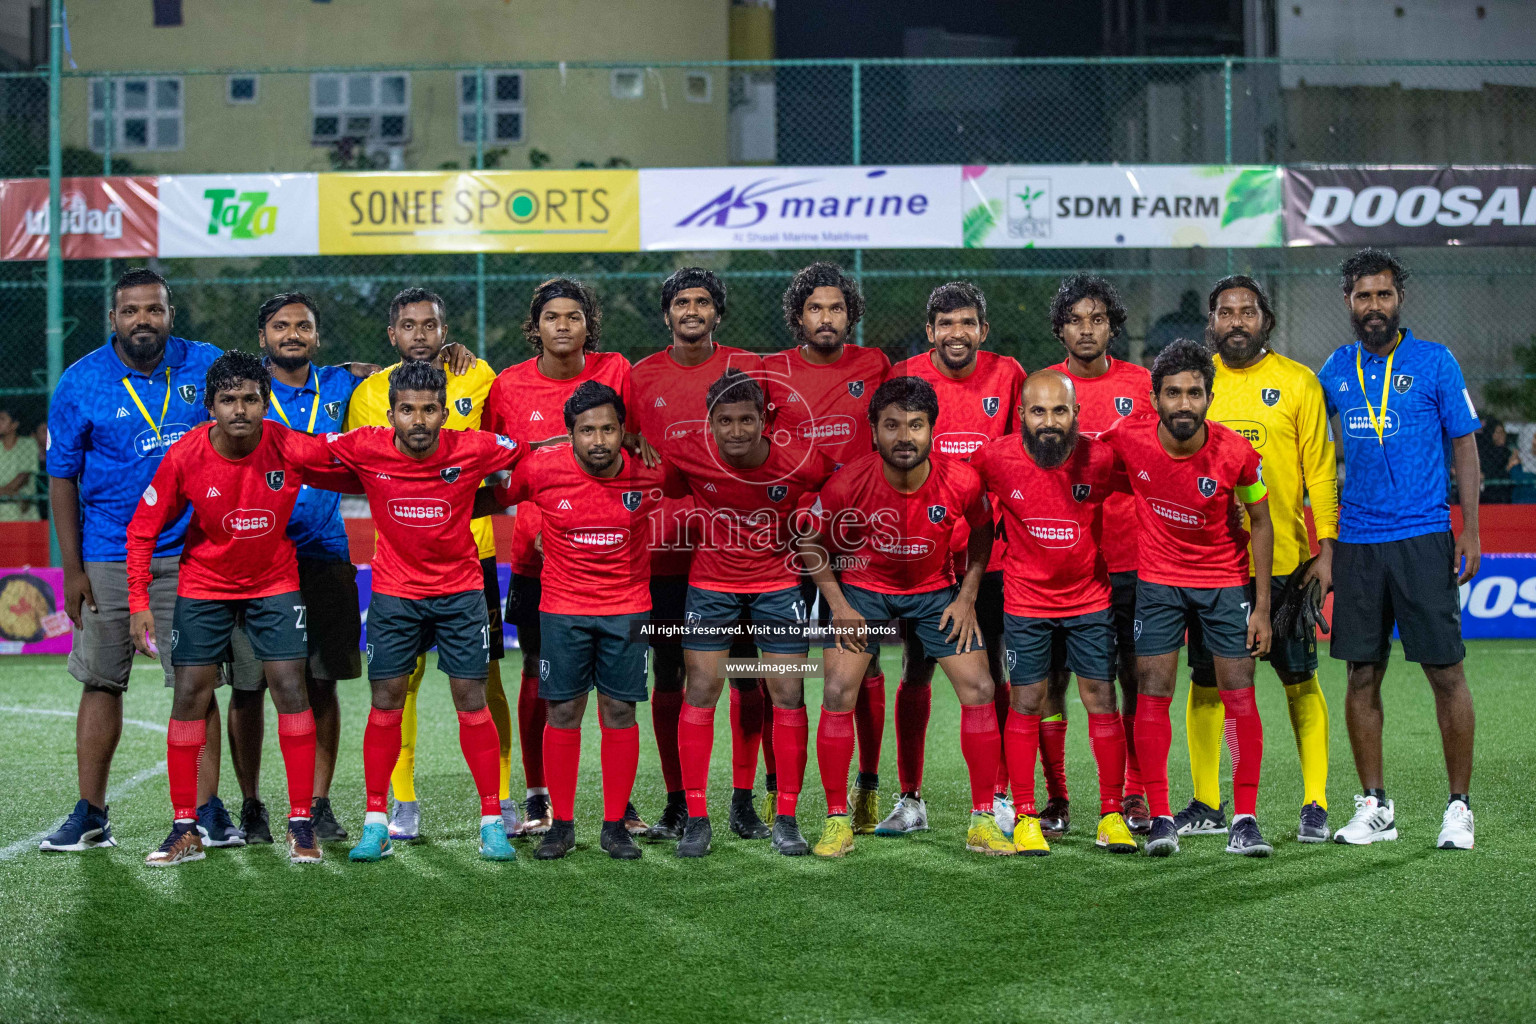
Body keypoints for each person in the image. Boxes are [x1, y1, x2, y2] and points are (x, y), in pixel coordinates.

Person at [125, 352, 358, 866]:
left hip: (274, 582)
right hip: (204, 586)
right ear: (210, 407)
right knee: (189, 693)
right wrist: (139, 600)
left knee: (291, 686)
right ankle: (184, 826)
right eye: (228, 400)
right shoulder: (186, 455)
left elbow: (349, 462)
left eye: (250, 398)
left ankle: (301, 824)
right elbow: (142, 529)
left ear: (264, 401)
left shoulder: (288, 444)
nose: (240, 410)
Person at [41, 268, 231, 853]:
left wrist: (352, 374)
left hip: (190, 553)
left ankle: (207, 811)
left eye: (154, 309)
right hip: (107, 555)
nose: (142, 320)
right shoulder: (81, 382)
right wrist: (71, 568)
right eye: (131, 311)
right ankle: (91, 813)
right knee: (101, 683)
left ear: (171, 313)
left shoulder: (207, 365)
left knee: (195, 684)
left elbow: (268, 382)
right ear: (113, 318)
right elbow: (62, 478)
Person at [305, 359, 524, 863]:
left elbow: (528, 458)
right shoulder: (365, 446)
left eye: (429, 410)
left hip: (460, 594)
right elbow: (304, 453)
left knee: (471, 699)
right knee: (387, 701)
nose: (419, 420)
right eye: (408, 410)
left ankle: (492, 820)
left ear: (445, 413)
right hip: (396, 596)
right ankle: (377, 822)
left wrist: (483, 501)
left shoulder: (474, 448)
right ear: (391, 413)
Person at [802, 376, 1008, 857]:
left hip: (935, 591)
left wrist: (966, 596)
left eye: (916, 425)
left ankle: (982, 819)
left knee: (980, 687)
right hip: (864, 591)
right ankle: (837, 819)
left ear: (932, 429)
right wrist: (839, 606)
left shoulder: (961, 480)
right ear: (874, 431)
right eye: (891, 425)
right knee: (836, 689)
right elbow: (809, 539)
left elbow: (983, 528)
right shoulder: (849, 481)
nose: (904, 436)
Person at [1317, 248, 1480, 851]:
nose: (1374, 306)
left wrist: (1471, 529)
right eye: (1363, 296)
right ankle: (1374, 807)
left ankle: (1458, 807)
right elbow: (1314, 450)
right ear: (1348, 303)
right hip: (1358, 542)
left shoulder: (1435, 363)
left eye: (1383, 295)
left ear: (1399, 299)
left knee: (1445, 671)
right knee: (1362, 674)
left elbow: (1464, 447)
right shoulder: (1334, 369)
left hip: (1423, 535)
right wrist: (1325, 543)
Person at [342, 287, 511, 843]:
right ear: (392, 334)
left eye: (431, 325)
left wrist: (473, 502)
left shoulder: (478, 375)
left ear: (446, 330)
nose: (420, 334)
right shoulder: (368, 390)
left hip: (472, 557)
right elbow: (367, 456)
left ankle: (501, 800)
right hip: (401, 565)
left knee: (484, 683)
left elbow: (506, 452)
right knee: (399, 686)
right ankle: (404, 800)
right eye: (408, 325)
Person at [482, 277, 649, 838]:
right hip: (542, 567)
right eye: (551, 316)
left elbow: (638, 447)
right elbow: (497, 469)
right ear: (536, 326)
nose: (562, 325)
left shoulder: (615, 371)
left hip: (614, 566)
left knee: (618, 697)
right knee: (542, 678)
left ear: (588, 324)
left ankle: (617, 809)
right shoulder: (507, 387)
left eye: (573, 316)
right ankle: (539, 796)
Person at [1102, 338, 1275, 858]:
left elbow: (1262, 521)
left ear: (1209, 397)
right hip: (1157, 582)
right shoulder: (1128, 439)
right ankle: (1159, 818)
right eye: (1173, 393)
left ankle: (1244, 818)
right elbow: (1080, 468)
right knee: (1153, 692)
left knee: (1238, 693)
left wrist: (1262, 606)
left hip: (1223, 583)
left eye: (1194, 393)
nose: (1183, 403)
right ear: (1153, 398)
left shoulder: (1237, 454)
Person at [1181, 276, 1338, 843]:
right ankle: (1205, 801)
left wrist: (1326, 551)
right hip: (1212, 562)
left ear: (1266, 319)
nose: (1237, 321)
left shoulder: (1297, 382)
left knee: (1299, 679)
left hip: (1288, 559)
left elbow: (1320, 471)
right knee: (1205, 681)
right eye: (1225, 312)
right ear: (1212, 322)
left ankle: (1315, 802)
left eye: (1248, 311)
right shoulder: (1196, 385)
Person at [629, 267, 776, 842]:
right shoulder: (640, 377)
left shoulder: (752, 368)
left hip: (739, 555)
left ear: (718, 312)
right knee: (670, 675)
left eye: (703, 301)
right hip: (665, 556)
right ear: (667, 314)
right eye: (682, 302)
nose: (692, 310)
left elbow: (771, 454)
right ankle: (678, 802)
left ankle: (743, 801)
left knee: (748, 676)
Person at [225, 293, 375, 846]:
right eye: (280, 326)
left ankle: (316, 804)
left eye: (303, 326)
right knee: (248, 686)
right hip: (254, 556)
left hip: (324, 553)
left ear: (317, 336)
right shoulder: (243, 396)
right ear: (262, 337)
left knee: (322, 681)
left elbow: (398, 378)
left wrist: (442, 353)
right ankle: (251, 806)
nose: (292, 334)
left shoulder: (343, 386)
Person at [972, 370, 1140, 857]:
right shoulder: (995, 457)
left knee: (1100, 699)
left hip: (1090, 601)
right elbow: (949, 488)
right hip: (1026, 602)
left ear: (1076, 415)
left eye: (1060, 411)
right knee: (1027, 701)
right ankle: (1026, 817)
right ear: (1021, 413)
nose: (1049, 422)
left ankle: (1111, 816)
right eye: (1039, 411)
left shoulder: (1101, 458)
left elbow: (1156, 486)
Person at [670, 369, 833, 858]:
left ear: (765, 420)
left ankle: (785, 817)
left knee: (787, 692)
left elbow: (844, 483)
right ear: (709, 423)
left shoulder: (800, 461)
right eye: (725, 421)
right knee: (701, 690)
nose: (736, 431)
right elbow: (638, 475)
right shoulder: (687, 455)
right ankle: (697, 820)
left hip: (778, 587)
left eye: (746, 419)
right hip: (711, 587)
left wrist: (817, 514)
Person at [882, 282, 1024, 837]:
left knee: (992, 670)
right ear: (930, 332)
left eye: (966, 323)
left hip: (990, 556)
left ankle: (1000, 795)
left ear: (982, 330)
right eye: (945, 323)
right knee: (916, 665)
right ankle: (911, 798)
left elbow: (1019, 455)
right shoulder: (905, 374)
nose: (956, 333)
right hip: (926, 558)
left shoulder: (1008, 373)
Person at [763, 261, 891, 833]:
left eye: (836, 308)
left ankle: (866, 791)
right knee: (778, 670)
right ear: (798, 316)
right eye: (815, 308)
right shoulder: (771, 372)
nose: (826, 318)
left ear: (850, 315)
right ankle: (775, 792)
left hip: (857, 534)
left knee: (863, 667)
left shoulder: (875, 364)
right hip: (785, 535)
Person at [1045, 274, 1152, 837]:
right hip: (1063, 564)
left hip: (1132, 558)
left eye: (1097, 319)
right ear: (1059, 327)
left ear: (1113, 325)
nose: (1086, 330)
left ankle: (1133, 794)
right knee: (1054, 682)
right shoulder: (1042, 388)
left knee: (1133, 677)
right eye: (1075, 319)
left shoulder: (1143, 384)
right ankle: (1057, 798)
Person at [0, 406, 39, 520]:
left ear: (14, 425)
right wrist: (10, 494)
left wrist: (3, 492)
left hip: (23, 511)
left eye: (2, 419)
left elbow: (23, 477)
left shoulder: (28, 444)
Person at [1144, 289, 1204, 362]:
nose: (1189, 308)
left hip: (1197, 364)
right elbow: (1152, 348)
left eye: (1192, 304)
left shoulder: (1205, 324)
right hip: (1170, 363)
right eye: (1187, 303)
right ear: (1182, 304)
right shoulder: (1167, 322)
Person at [1475, 418, 1518, 504]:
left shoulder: (1508, 451)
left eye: (1503, 432)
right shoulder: (1485, 453)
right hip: (1488, 492)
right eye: (1497, 432)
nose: (1501, 435)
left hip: (1505, 491)